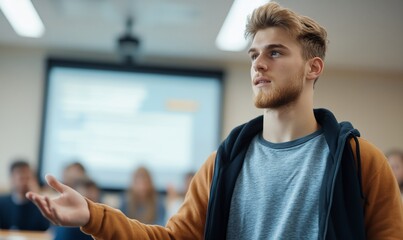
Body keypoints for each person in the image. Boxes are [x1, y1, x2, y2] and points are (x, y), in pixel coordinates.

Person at [26, 2, 403, 239]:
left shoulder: (359, 161)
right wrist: (93, 215)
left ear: (313, 67)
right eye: (254, 54)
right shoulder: (223, 163)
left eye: (275, 52)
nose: (258, 63)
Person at [0, 160, 50, 231]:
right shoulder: (2, 203)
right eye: (21, 178)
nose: (25, 182)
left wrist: (37, 196)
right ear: (12, 179)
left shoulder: (39, 204)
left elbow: (46, 229)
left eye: (28, 177)